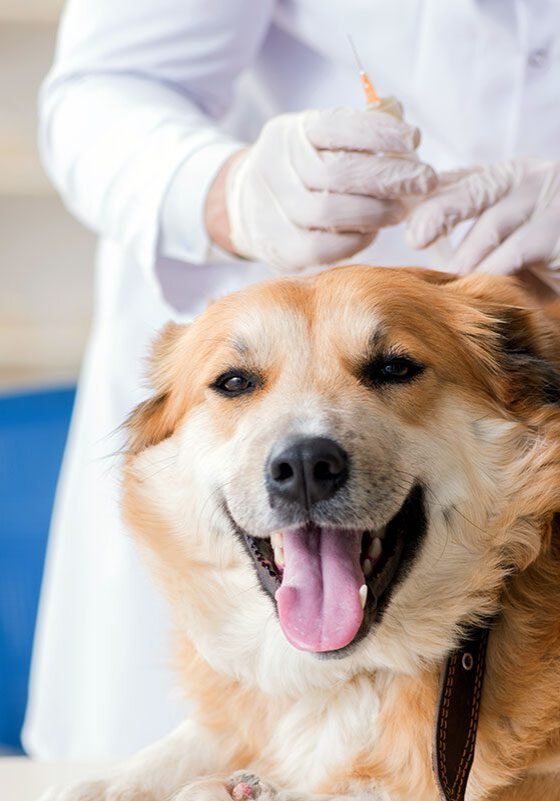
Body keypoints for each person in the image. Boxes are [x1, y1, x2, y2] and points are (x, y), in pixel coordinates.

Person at [24, 0, 560, 759]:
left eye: (389, 368)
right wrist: (228, 190)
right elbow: (100, 89)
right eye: (240, 381)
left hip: (489, 399)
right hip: (248, 269)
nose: (306, 443)